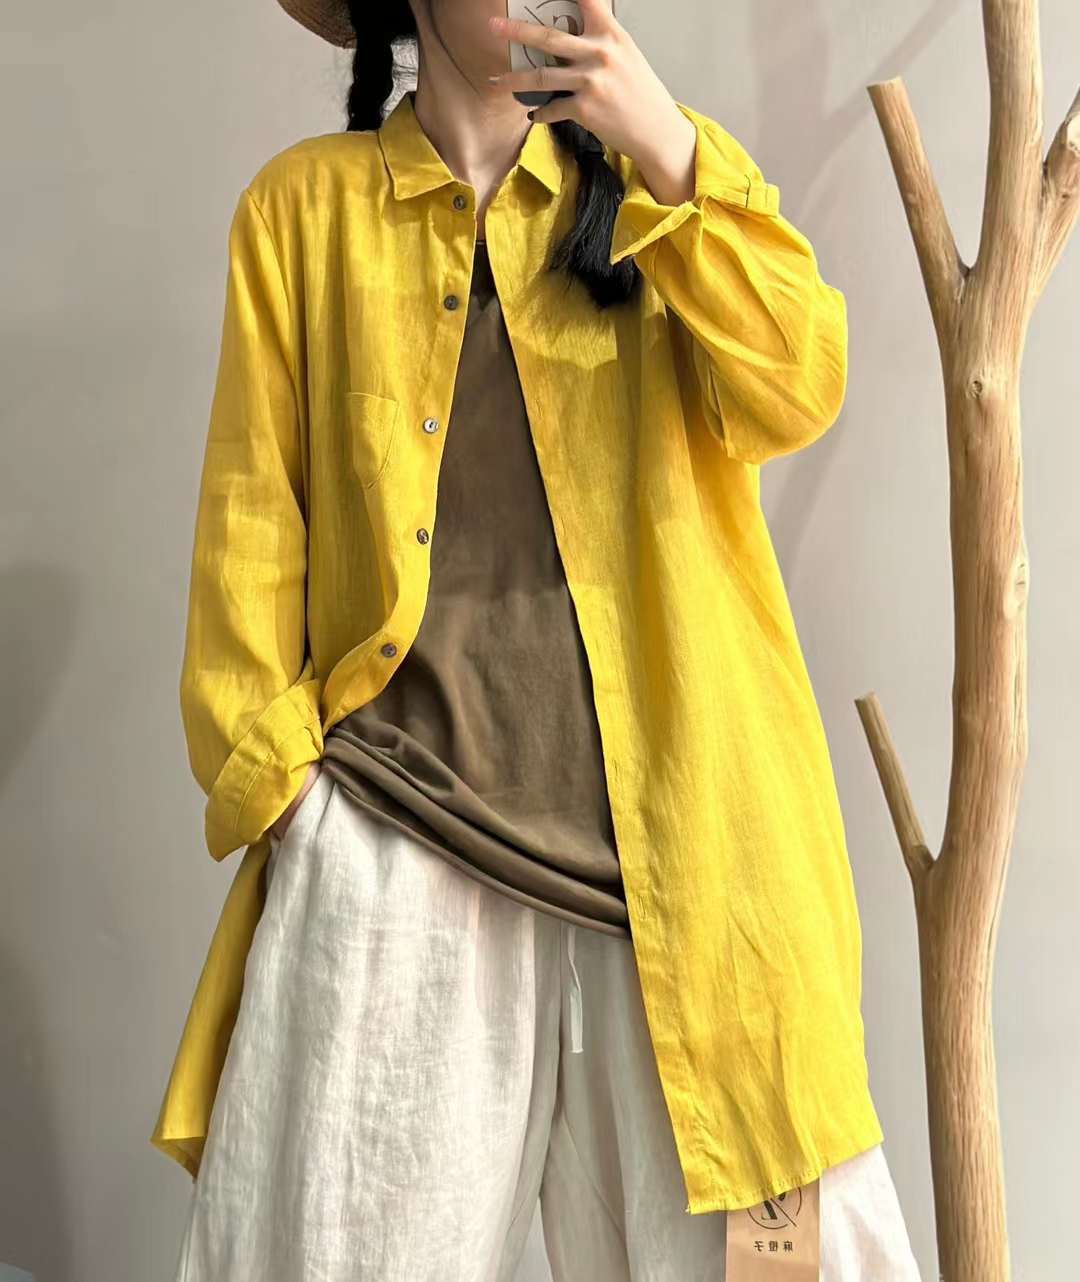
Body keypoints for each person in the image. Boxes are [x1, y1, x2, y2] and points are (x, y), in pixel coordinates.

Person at [159, 0, 924, 1278]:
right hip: (402, 843)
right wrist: (294, 804)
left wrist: (667, 150)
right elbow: (251, 526)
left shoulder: (660, 187)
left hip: (690, 867)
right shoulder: (303, 211)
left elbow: (802, 386)